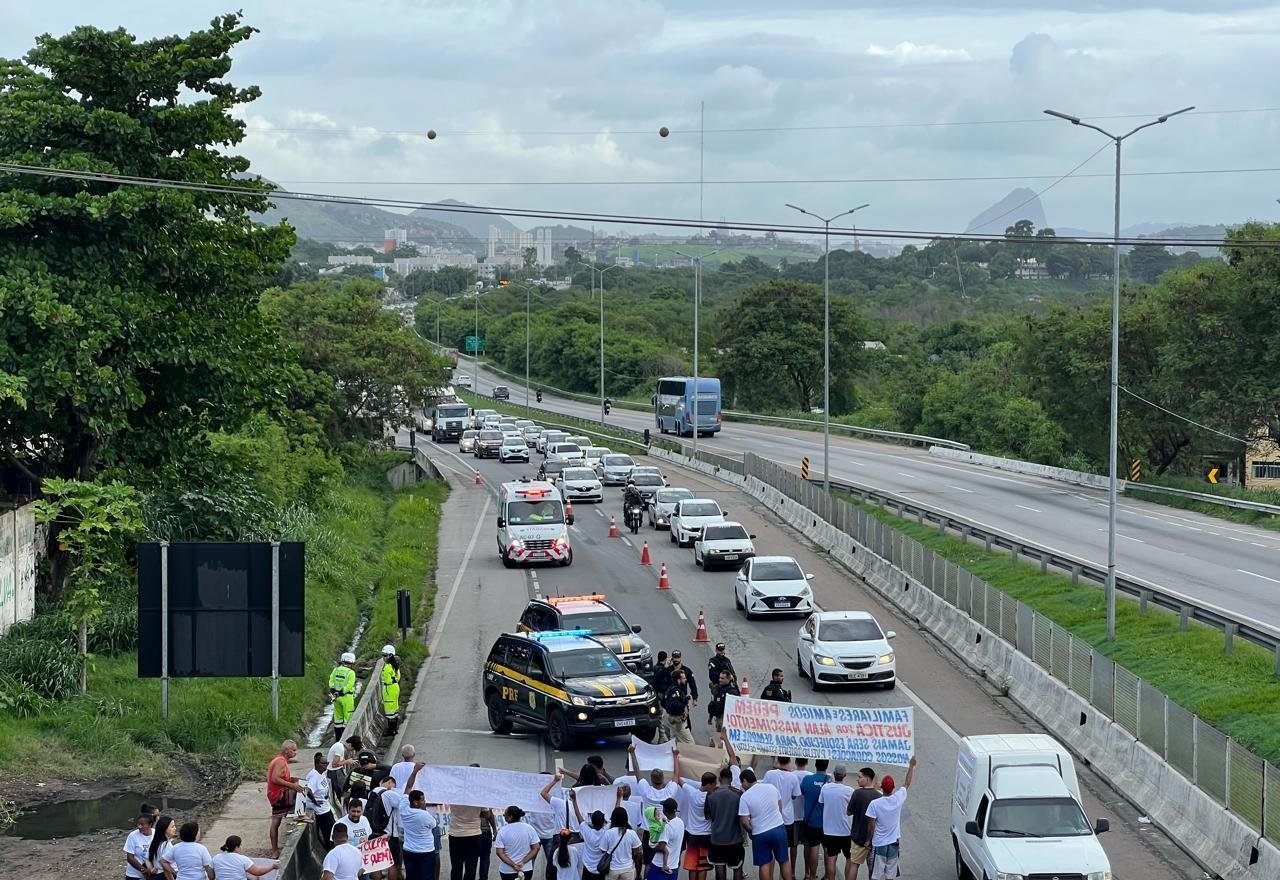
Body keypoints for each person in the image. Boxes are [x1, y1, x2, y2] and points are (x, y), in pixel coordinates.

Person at [863, 757, 915, 880]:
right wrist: (911, 766)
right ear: (893, 788)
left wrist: (868, 840)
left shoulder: (875, 804)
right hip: (894, 843)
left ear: (881, 787)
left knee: (875, 875)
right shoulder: (898, 799)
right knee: (890, 875)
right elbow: (907, 783)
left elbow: (871, 825)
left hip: (879, 844)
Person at [737, 768, 792, 880]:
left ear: (745, 780)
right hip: (778, 828)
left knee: (764, 864)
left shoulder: (745, 797)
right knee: (784, 860)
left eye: (742, 782)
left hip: (760, 833)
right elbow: (780, 807)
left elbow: (744, 821)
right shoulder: (771, 787)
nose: (742, 786)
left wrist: (751, 831)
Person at [536, 772, 583, 880]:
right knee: (576, 868)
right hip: (577, 841)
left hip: (561, 839)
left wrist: (554, 781)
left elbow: (543, 793)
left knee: (553, 870)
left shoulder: (561, 803)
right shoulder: (585, 806)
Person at [267, 740, 306, 859]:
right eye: (293, 750)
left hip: (275, 794)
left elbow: (281, 777)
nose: (295, 752)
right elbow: (275, 779)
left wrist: (292, 779)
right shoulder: (280, 761)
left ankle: (275, 851)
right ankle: (301, 814)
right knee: (303, 789)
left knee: (275, 823)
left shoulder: (279, 760)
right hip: (278, 795)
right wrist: (292, 785)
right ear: (286, 750)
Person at [704, 766, 744, 880]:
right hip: (735, 839)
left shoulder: (711, 794)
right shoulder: (738, 794)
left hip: (717, 839)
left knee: (719, 867)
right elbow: (743, 815)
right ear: (731, 779)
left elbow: (707, 816)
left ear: (719, 779)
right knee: (737, 868)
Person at [677, 771, 717, 880]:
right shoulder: (712, 798)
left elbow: (679, 780)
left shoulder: (692, 793)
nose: (715, 786)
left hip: (692, 834)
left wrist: (676, 761)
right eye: (714, 784)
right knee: (703, 865)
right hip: (706, 835)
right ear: (709, 784)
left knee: (692, 865)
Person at [763, 758, 802, 864]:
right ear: (789, 762)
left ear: (778, 761)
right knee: (784, 852)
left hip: (771, 817)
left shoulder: (769, 774)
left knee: (770, 850)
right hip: (787, 819)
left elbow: (764, 790)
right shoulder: (793, 777)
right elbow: (795, 795)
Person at [818, 766, 854, 880]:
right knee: (849, 858)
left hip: (829, 830)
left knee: (831, 858)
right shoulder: (849, 790)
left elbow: (821, 802)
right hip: (846, 831)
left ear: (833, 774)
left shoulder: (825, 788)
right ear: (845, 775)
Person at [846, 768, 881, 880]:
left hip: (858, 837)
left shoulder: (857, 793)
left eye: (860, 777)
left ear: (867, 779)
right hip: (874, 840)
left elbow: (848, 812)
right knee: (872, 869)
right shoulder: (879, 796)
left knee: (854, 865)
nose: (857, 779)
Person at [798, 759, 830, 880]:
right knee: (827, 850)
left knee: (814, 848)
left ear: (815, 765)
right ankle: (827, 875)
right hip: (827, 822)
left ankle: (811, 876)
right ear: (827, 766)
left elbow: (801, 792)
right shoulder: (829, 781)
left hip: (811, 821)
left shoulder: (807, 779)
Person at [402, 789, 441, 880]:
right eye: (422, 800)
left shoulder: (403, 810)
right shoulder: (425, 815)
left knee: (411, 876)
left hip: (409, 850)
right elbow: (433, 824)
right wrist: (424, 810)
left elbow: (407, 790)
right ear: (416, 802)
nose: (425, 802)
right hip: (425, 852)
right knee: (426, 876)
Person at [496, 806, 543, 880]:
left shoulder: (502, 831)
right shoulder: (529, 828)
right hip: (525, 869)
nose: (503, 816)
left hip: (507, 871)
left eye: (505, 814)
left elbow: (499, 852)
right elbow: (536, 848)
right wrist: (523, 862)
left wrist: (513, 865)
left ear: (510, 817)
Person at [598, 807, 643, 880]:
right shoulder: (632, 833)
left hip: (612, 869)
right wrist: (638, 873)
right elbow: (639, 853)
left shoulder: (608, 833)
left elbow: (603, 850)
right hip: (628, 869)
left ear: (613, 818)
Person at [306, 751, 337, 849]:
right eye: (324, 763)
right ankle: (329, 849)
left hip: (325, 805)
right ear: (317, 764)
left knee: (332, 830)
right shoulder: (314, 776)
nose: (326, 765)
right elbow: (308, 790)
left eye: (327, 763)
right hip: (321, 809)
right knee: (328, 832)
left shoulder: (321, 773)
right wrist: (314, 801)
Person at [647, 798, 683, 880]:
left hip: (659, 866)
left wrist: (652, 846)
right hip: (674, 866)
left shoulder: (667, 827)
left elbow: (661, 847)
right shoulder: (680, 822)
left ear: (665, 810)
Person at [211, 836, 278, 879]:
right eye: (241, 845)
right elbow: (258, 872)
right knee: (256, 877)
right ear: (236, 847)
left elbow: (211, 876)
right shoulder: (242, 859)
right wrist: (272, 866)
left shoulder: (216, 858)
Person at [660, 669, 695, 744]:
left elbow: (664, 702)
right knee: (691, 744)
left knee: (674, 743)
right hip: (678, 721)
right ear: (678, 680)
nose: (686, 680)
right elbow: (673, 705)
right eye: (684, 678)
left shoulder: (672, 689)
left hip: (674, 721)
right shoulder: (675, 691)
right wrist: (683, 705)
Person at [329, 651, 358, 742]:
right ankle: (346, 741)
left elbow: (331, 682)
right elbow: (349, 685)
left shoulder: (335, 670)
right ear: (352, 662)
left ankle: (338, 740)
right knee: (347, 719)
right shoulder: (351, 673)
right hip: (347, 698)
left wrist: (333, 690)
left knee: (338, 719)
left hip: (336, 698)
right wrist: (342, 692)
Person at [706, 670, 739, 745]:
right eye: (720, 678)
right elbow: (714, 703)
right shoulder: (719, 688)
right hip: (718, 718)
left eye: (722, 678)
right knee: (719, 737)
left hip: (725, 719)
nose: (720, 680)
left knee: (724, 738)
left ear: (728, 679)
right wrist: (710, 716)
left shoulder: (732, 691)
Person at [328, 735, 362, 805]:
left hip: (338, 771)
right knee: (343, 791)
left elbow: (339, 761)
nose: (351, 750)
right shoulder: (340, 748)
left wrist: (349, 760)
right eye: (352, 749)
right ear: (350, 744)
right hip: (335, 772)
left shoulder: (340, 745)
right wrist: (347, 761)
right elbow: (334, 765)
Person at [578, 809, 610, 880]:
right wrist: (618, 801)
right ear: (603, 822)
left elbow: (579, 817)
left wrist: (574, 802)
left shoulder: (587, 832)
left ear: (592, 822)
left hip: (587, 869)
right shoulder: (606, 832)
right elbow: (613, 817)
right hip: (600, 870)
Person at [124, 813, 155, 880]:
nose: (139, 826)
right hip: (134, 875)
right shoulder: (133, 836)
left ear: (150, 825)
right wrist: (143, 869)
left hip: (152, 873)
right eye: (138, 824)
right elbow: (130, 858)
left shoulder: (156, 834)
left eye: (142, 824)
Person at [146, 815, 176, 880]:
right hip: (165, 876)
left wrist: (151, 869)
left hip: (156, 875)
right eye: (172, 827)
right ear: (165, 829)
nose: (175, 828)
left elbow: (147, 858)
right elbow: (166, 867)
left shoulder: (154, 841)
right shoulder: (167, 845)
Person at [381, 644, 403, 737]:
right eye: (383, 655)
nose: (383, 657)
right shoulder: (395, 665)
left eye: (385, 655)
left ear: (390, 655)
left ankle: (391, 731)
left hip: (389, 689)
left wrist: (388, 682)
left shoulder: (387, 667)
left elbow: (386, 680)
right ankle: (394, 729)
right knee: (394, 708)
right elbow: (398, 677)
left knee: (389, 710)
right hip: (395, 687)